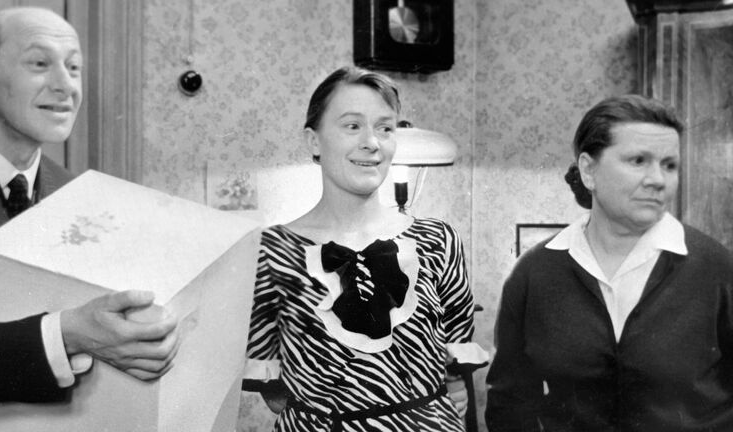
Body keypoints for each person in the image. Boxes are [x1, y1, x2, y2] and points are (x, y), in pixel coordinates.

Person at [0, 7, 179, 431]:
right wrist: (64, 335)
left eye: (74, 67)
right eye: (39, 63)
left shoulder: (78, 195)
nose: (66, 85)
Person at [242, 66, 488, 432]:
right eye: (352, 125)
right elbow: (273, 390)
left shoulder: (439, 239)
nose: (372, 142)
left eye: (385, 128)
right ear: (313, 141)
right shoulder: (271, 250)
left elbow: (455, 361)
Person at [485, 94, 733, 431]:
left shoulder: (717, 268)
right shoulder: (534, 272)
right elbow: (509, 403)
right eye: (638, 161)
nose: (658, 179)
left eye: (669, 165)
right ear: (589, 170)